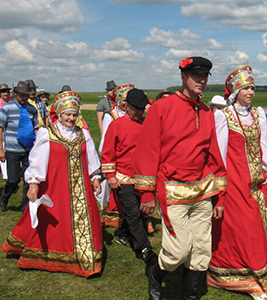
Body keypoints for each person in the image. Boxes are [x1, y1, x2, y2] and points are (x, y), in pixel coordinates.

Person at [134, 56, 227, 300]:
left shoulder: (207, 112)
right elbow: (147, 150)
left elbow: (214, 155)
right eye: (196, 76)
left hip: (203, 192)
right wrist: (146, 192)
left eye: (205, 76)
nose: (202, 81)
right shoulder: (162, 109)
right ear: (183, 76)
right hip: (173, 190)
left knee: (201, 250)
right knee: (177, 251)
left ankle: (191, 296)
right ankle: (156, 273)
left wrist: (220, 196)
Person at [207, 66, 267, 300]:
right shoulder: (223, 116)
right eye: (246, 88)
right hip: (235, 179)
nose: (251, 92)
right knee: (243, 225)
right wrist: (221, 184)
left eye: (253, 88)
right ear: (235, 91)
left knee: (261, 222)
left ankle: (265, 269)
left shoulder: (257, 114)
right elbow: (219, 150)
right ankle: (245, 275)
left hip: (257, 179)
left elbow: (264, 146)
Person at [1, 91, 103, 277]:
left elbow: (91, 158)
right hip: (56, 186)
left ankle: (83, 256)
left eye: (74, 114)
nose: (71, 118)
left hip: (81, 187)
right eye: (67, 114)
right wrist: (34, 183)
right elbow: (37, 161)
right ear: (60, 114)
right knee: (52, 219)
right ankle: (48, 252)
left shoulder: (83, 134)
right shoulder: (47, 134)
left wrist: (95, 176)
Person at [102, 88, 156, 265]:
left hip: (144, 177)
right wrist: (110, 175)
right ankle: (145, 249)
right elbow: (108, 152)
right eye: (136, 109)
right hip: (124, 178)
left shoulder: (148, 125)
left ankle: (122, 233)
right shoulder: (116, 125)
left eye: (142, 109)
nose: (139, 113)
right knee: (133, 214)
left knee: (140, 212)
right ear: (127, 107)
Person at [0, 81, 38, 212]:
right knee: (13, 179)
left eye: (26, 95)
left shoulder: (32, 110)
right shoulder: (7, 109)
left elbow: (36, 128)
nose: (24, 98)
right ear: (16, 94)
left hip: (28, 149)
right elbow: (0, 129)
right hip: (12, 149)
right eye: (22, 95)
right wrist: (1, 149)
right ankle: (4, 197)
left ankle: (25, 207)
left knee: (29, 180)